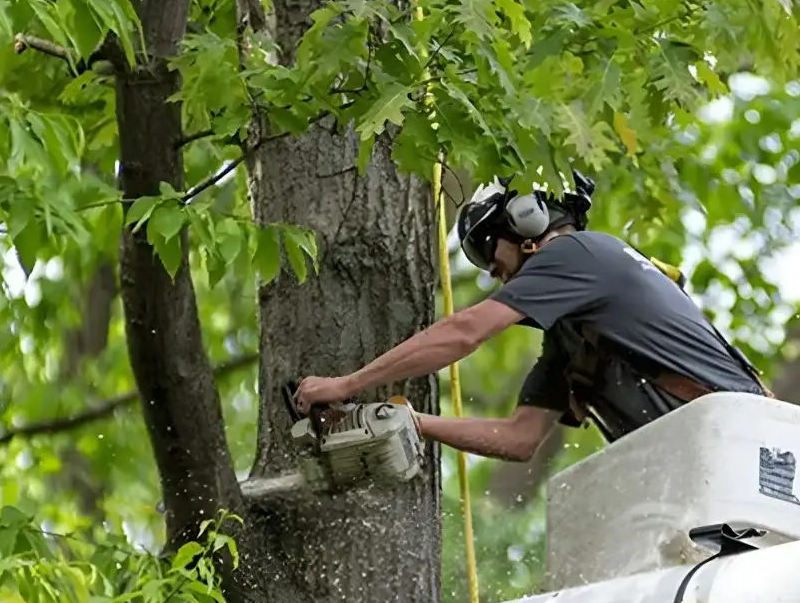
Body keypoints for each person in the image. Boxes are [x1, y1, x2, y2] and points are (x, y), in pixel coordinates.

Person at [293, 171, 771, 462]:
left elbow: (464, 332)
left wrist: (346, 385)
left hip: (750, 444)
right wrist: (408, 421)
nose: (495, 272)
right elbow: (520, 438)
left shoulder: (579, 253)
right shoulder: (573, 338)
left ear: (526, 219)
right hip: (708, 454)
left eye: (487, 248)